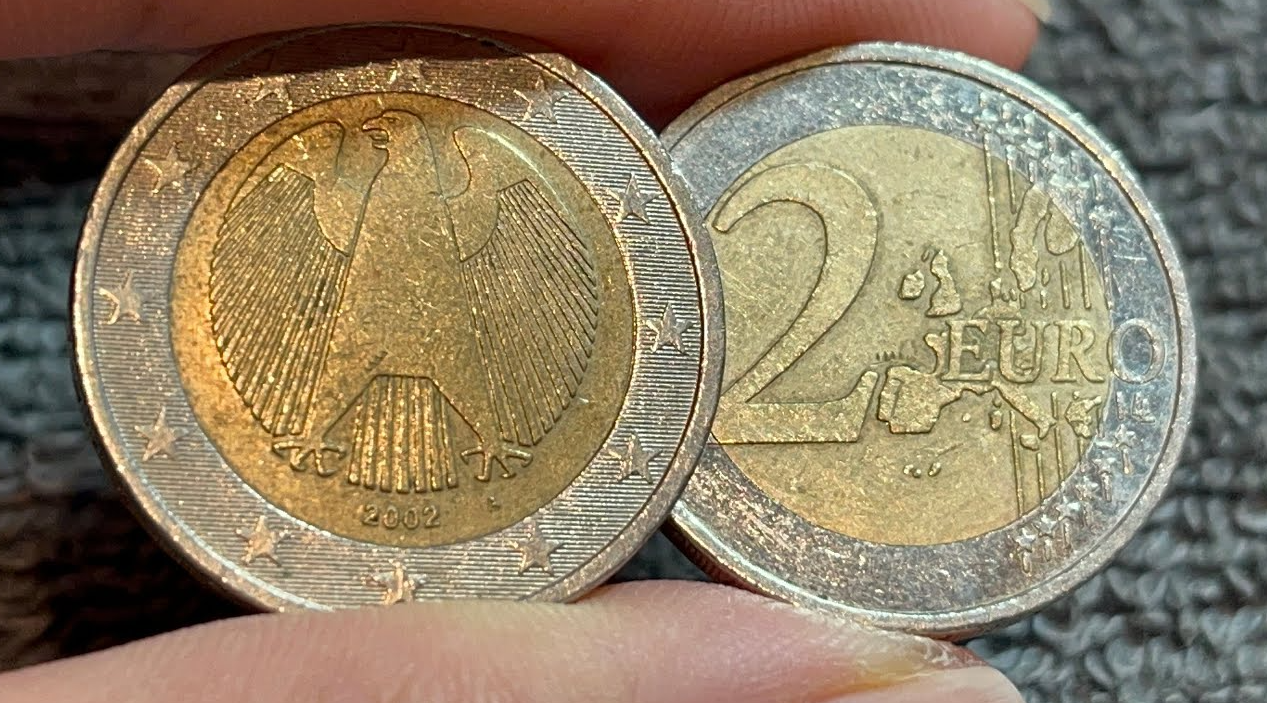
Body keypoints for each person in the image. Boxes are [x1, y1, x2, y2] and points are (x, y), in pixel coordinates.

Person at [0, 0, 1046, 700]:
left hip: (434, 317)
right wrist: (331, 176)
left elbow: (476, 222)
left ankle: (479, 441)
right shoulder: (372, 189)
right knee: (354, 378)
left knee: (453, 381)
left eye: (391, 139)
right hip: (371, 308)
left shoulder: (467, 189)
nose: (387, 139)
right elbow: (329, 213)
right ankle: (351, 439)